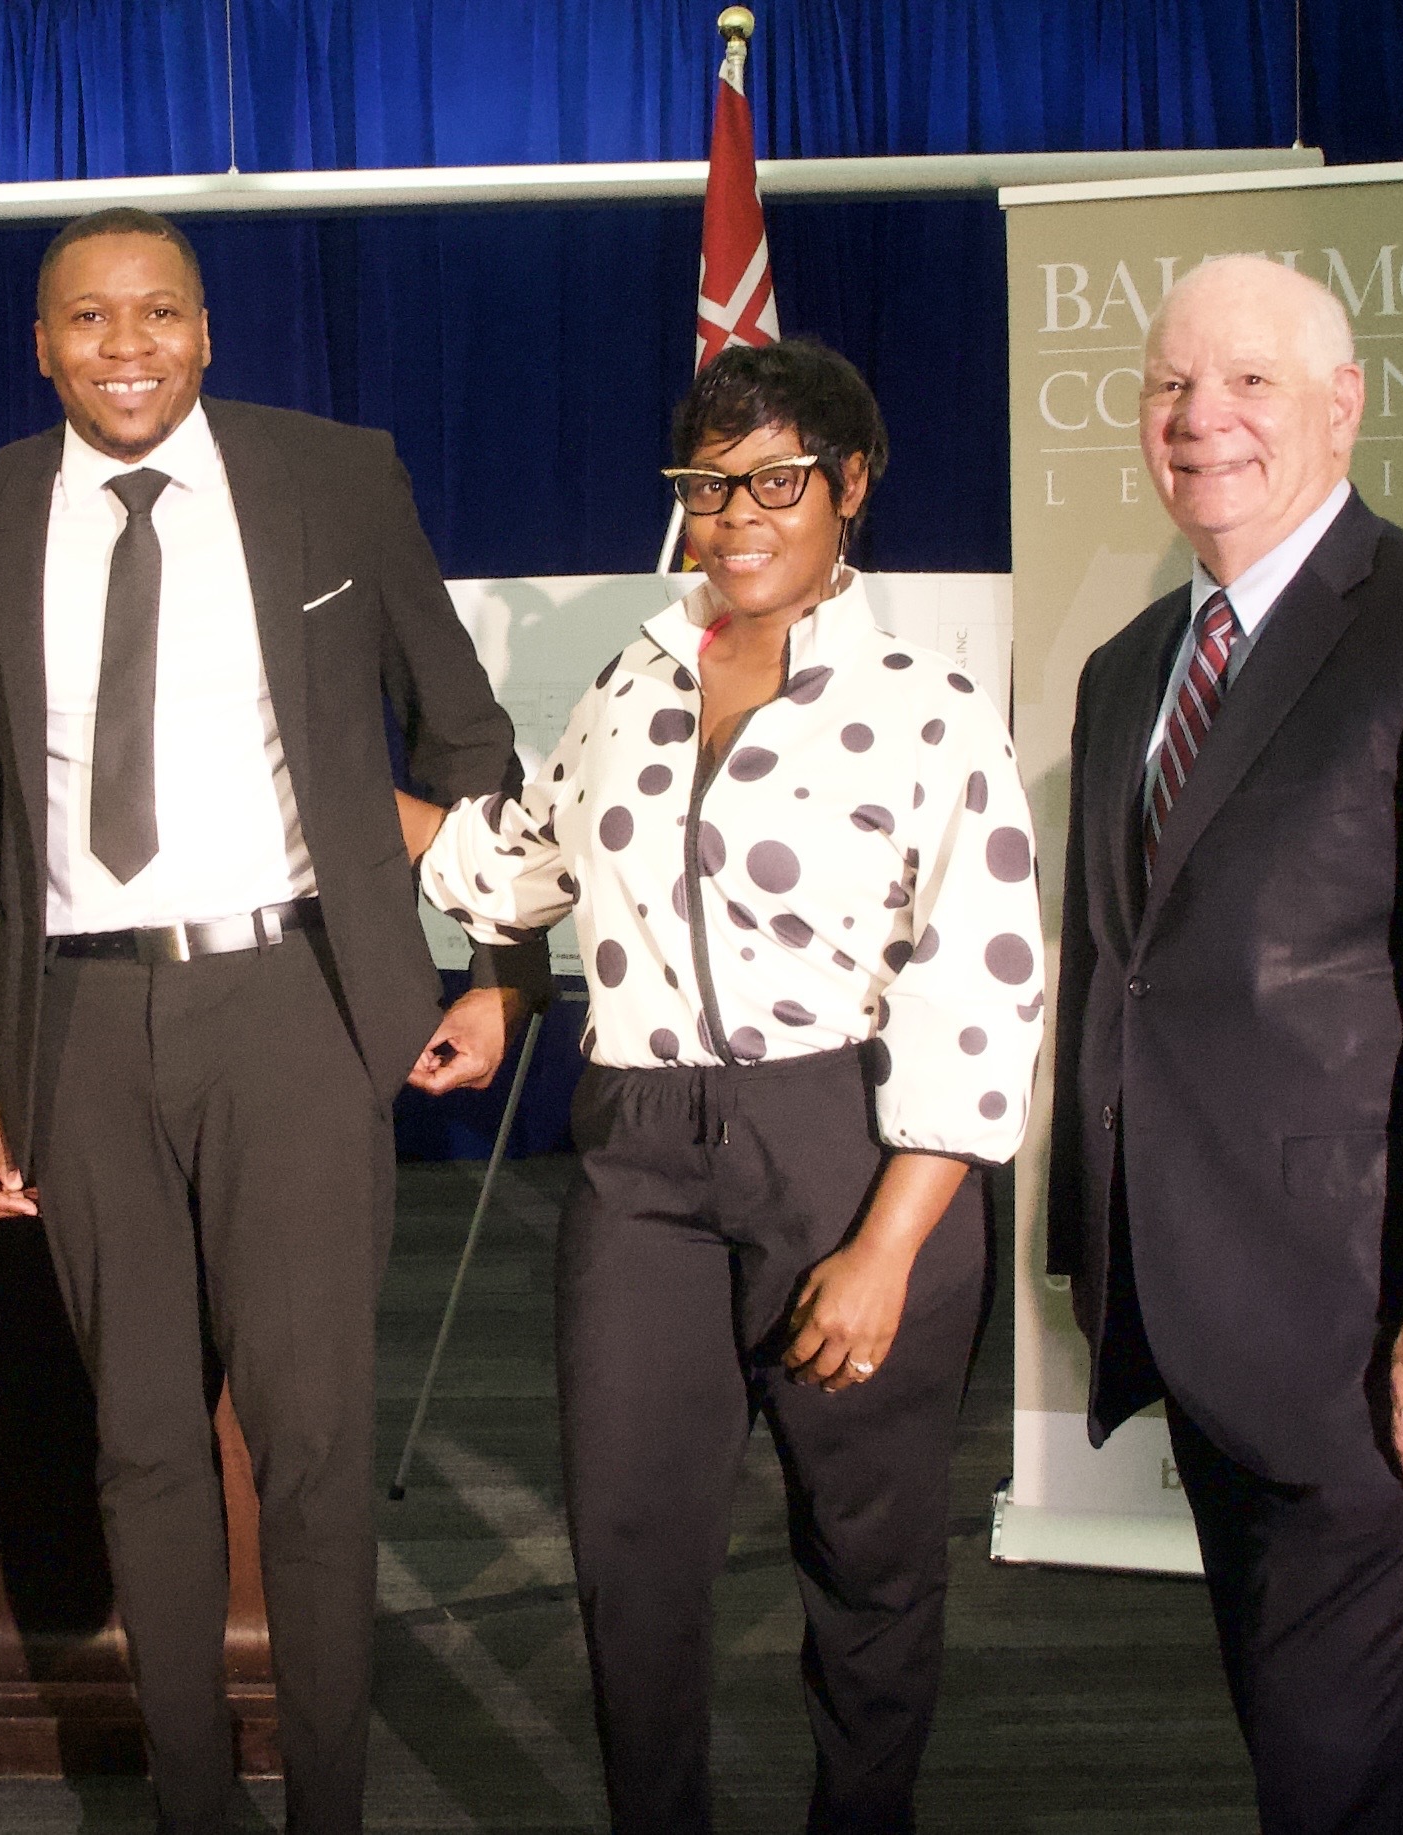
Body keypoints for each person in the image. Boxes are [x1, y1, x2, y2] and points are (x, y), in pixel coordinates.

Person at [0, 206, 543, 1834]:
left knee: (315, 1443)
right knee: (137, 1445)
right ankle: (193, 1803)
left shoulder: (333, 475)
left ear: (208, 330)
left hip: (294, 1010)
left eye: (159, 313)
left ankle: (322, 1805)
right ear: (39, 344)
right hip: (72, 1023)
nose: (127, 346)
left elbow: (469, 739)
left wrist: (499, 967)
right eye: (89, 319)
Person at [401, 338, 1043, 1833]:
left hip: (849, 1150)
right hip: (637, 1153)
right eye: (706, 484)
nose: (734, 514)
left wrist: (882, 1251)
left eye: (774, 481)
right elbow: (527, 863)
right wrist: (318, 778)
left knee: (866, 1557)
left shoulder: (923, 705)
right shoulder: (637, 675)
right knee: (632, 1551)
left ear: (850, 487)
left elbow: (982, 985)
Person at [1047, 254, 1403, 1835]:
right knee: (1312, 1763)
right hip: (1221, 1339)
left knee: (1370, 1787)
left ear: (1342, 404)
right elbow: (1135, 982)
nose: (1201, 417)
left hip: (1397, 1344)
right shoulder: (1126, 676)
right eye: (1171, 385)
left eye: (1247, 382)